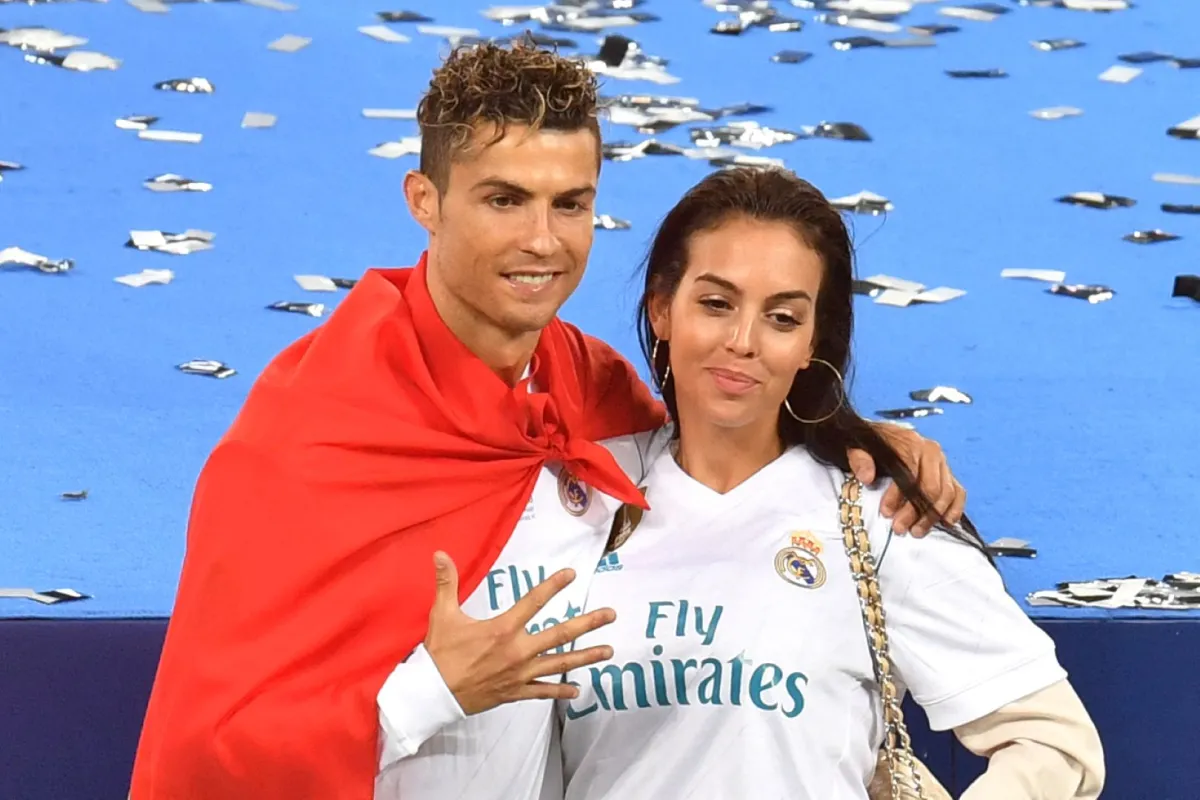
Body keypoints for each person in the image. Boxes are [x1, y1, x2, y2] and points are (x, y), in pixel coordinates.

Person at [128, 43, 968, 800]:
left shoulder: (583, 385)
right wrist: (433, 690)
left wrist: (845, 437)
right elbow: (209, 749)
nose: (543, 241)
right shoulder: (307, 432)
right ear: (424, 199)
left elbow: (710, 457)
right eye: (504, 200)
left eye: (570, 204)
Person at [557, 166, 1105, 799]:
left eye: (782, 318)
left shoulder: (884, 515)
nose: (743, 342)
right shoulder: (581, 497)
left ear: (813, 341)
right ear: (661, 309)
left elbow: (1058, 743)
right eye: (715, 303)